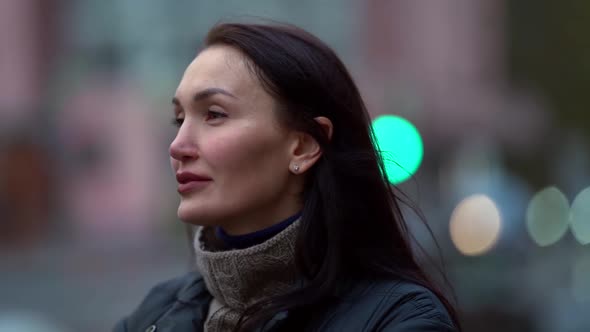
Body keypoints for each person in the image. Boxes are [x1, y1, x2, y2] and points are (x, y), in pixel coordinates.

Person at [114, 21, 460, 332]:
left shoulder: (401, 318)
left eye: (214, 114)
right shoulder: (156, 313)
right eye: (179, 119)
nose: (178, 146)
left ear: (303, 147)